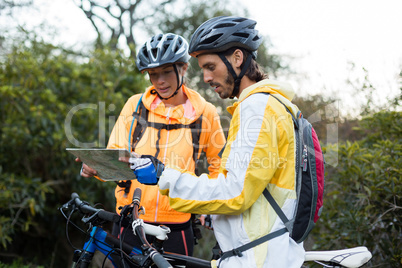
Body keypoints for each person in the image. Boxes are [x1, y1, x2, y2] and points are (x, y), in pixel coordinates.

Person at [129, 16, 306, 267]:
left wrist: (165, 175)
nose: (206, 77)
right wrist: (213, 213)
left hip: (257, 258)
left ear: (237, 58)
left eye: (210, 66)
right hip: (263, 250)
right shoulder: (269, 105)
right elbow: (252, 184)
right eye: (202, 68)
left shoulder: (257, 109)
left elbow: (236, 192)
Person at [79, 33, 225, 256]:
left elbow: (219, 167)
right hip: (131, 218)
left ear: (184, 68)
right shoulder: (134, 106)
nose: (160, 81)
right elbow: (115, 155)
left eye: (167, 71)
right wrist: (96, 167)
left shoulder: (205, 113)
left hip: (178, 223)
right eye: (153, 74)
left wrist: (210, 207)